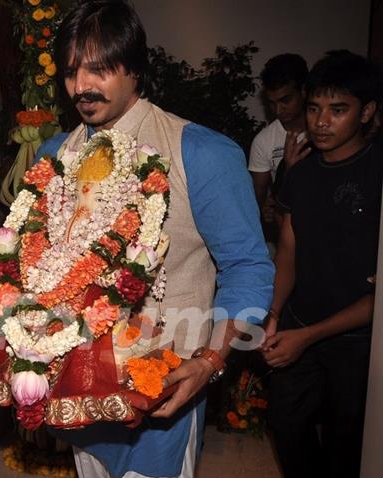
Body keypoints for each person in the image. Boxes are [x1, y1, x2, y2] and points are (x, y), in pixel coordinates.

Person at [32, 2, 273, 476]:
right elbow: (36, 261)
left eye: (99, 68)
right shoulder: (55, 153)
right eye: (71, 72)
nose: (82, 87)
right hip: (77, 386)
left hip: (162, 388)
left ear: (137, 68)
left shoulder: (200, 153)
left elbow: (249, 267)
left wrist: (209, 360)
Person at [262, 50, 382, 478]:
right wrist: (274, 315)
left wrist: (308, 336)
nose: (321, 122)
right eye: (314, 108)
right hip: (300, 321)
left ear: (366, 112)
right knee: (286, 425)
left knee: (347, 447)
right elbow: (289, 251)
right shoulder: (302, 173)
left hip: (361, 339)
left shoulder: (377, 171)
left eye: (338, 110)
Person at [248, 54, 309, 237]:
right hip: (286, 228)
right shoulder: (263, 140)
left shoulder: (324, 132)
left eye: (285, 100)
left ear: (304, 91)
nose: (278, 110)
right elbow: (257, 197)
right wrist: (268, 213)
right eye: (272, 103)